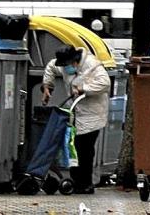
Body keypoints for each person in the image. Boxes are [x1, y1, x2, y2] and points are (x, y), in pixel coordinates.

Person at [42, 45, 110, 194]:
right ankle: (79, 182)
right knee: (75, 148)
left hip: (93, 114)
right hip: (76, 113)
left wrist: (83, 88)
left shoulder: (91, 65)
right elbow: (51, 67)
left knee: (84, 149)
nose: (65, 69)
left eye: (67, 65)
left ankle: (85, 183)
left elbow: (105, 83)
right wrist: (48, 86)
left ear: (74, 62)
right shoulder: (65, 64)